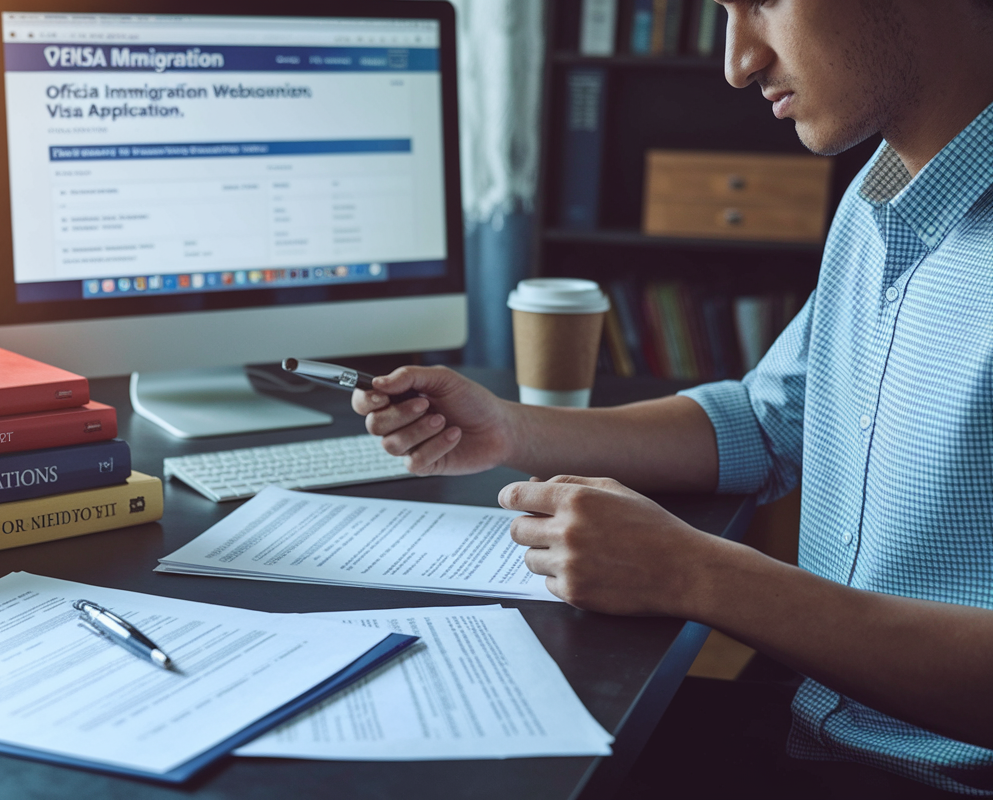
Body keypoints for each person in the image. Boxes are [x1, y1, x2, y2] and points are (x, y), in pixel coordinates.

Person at [353, 0, 993, 796]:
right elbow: (766, 420)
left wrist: (696, 575)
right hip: (817, 728)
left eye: (762, 3)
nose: (737, 62)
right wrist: (510, 427)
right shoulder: (881, 196)